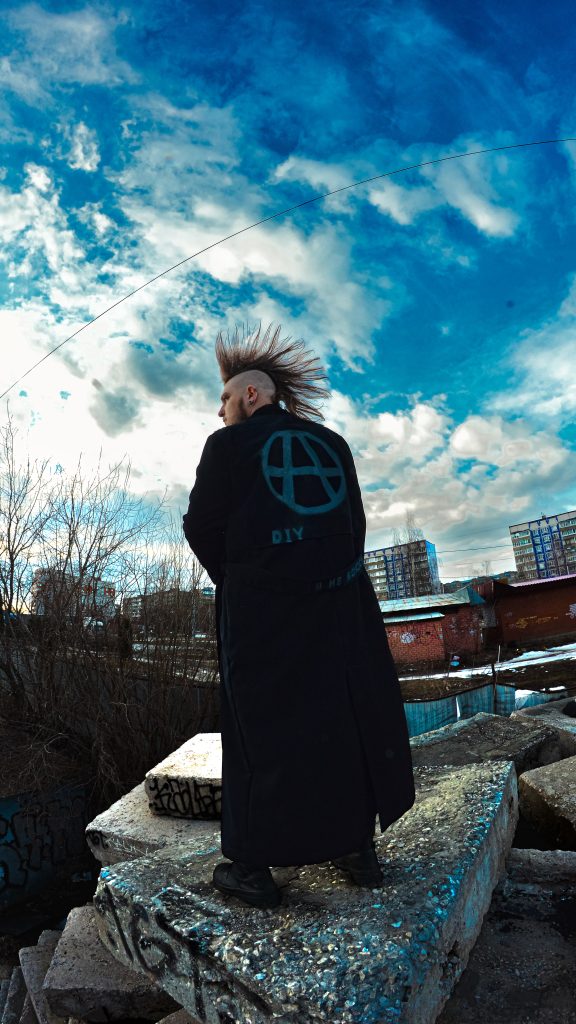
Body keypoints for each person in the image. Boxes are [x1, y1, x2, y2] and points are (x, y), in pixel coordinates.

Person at [183, 324, 414, 908]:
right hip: (341, 610)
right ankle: (356, 849)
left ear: (252, 395)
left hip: (263, 617)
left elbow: (201, 526)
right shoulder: (331, 443)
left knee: (260, 731)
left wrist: (243, 581)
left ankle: (252, 867)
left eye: (225, 398)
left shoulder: (226, 447)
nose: (220, 410)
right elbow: (354, 528)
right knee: (342, 719)